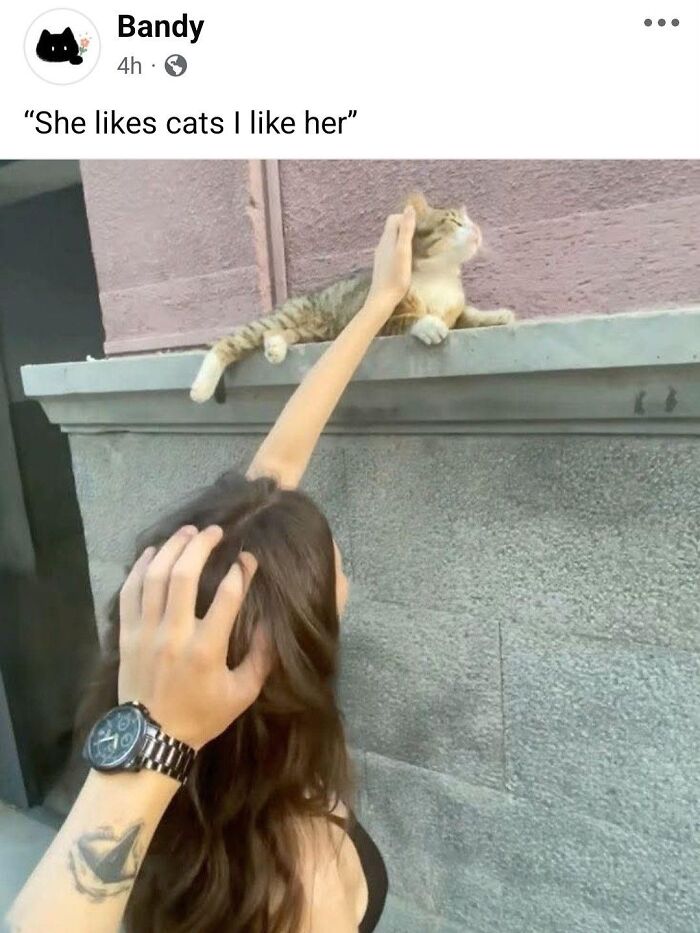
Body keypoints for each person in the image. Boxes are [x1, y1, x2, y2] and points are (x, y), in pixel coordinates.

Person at [4, 204, 416, 933]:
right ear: (281, 655)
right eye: (333, 565)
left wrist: (378, 301)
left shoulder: (191, 794)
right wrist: (151, 730)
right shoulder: (304, 892)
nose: (343, 573)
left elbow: (276, 472)